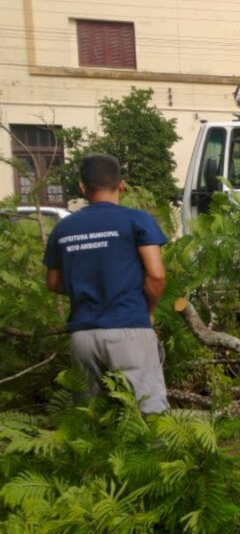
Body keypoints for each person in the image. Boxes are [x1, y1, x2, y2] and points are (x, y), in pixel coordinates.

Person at [44, 153, 169, 414]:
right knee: (149, 413)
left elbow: (54, 282)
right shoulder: (137, 220)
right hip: (129, 327)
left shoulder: (63, 228)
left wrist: (86, 284)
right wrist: (148, 312)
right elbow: (156, 275)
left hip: (83, 337)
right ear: (121, 185)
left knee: (90, 418)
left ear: (82, 187)